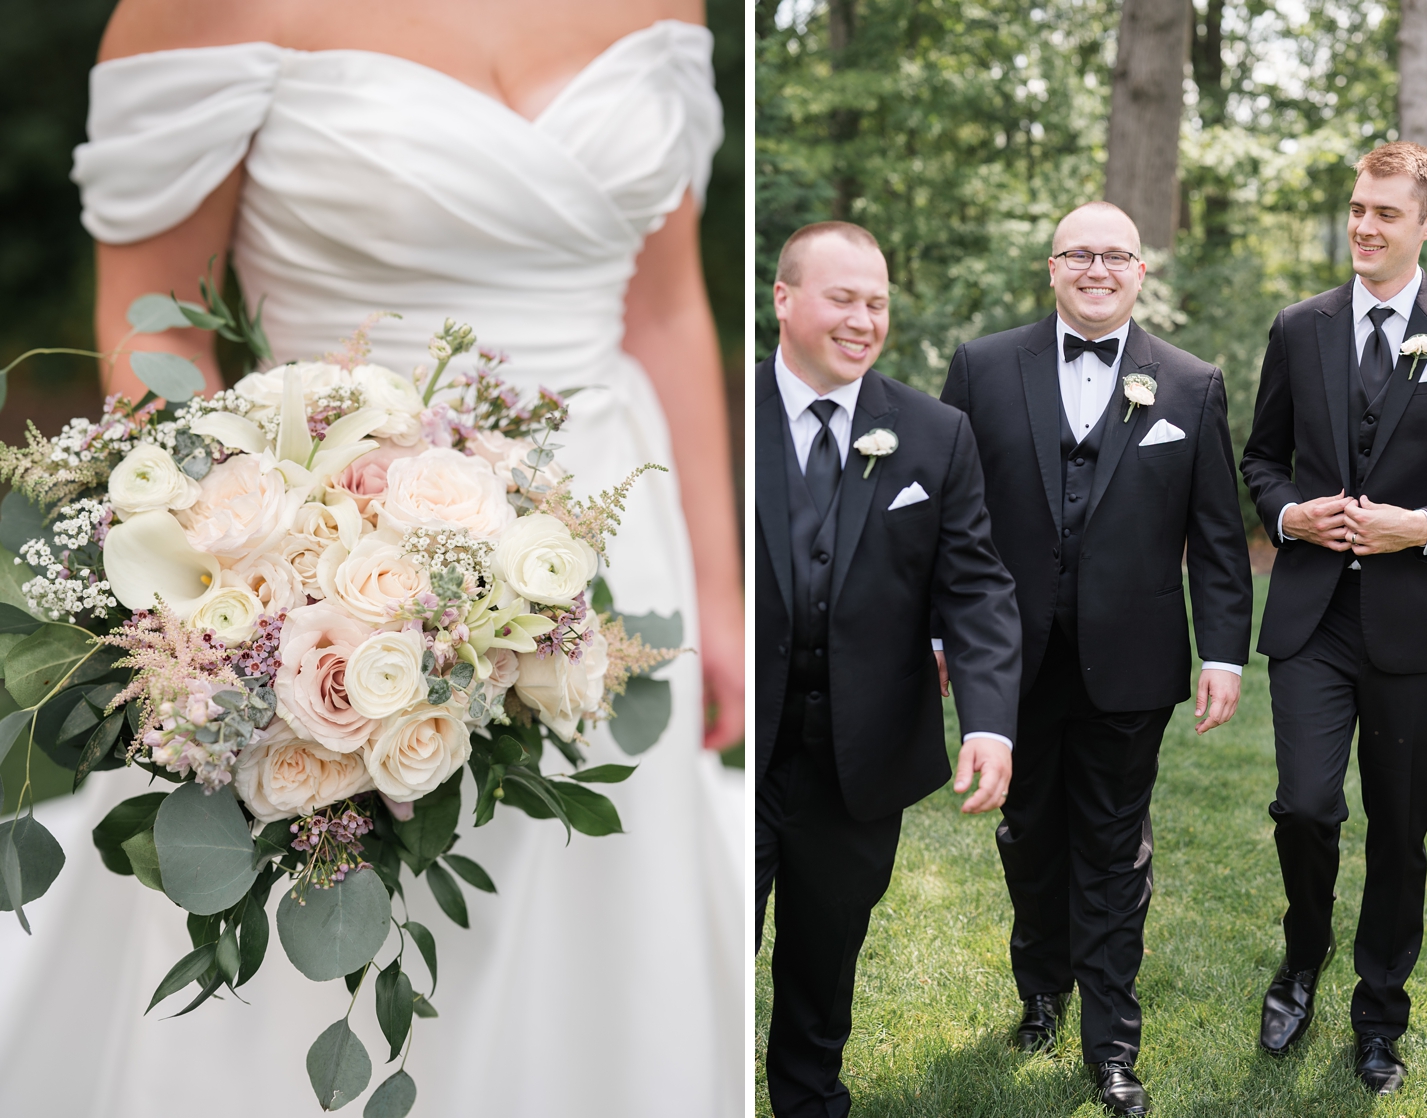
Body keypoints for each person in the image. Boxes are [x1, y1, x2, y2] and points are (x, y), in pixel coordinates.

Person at [0, 3, 744, 1115]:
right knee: (326, 924)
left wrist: (722, 591)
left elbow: (667, 304)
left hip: (615, 538)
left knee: (605, 925)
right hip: (328, 553)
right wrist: (245, 600)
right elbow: (152, 319)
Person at [940, 202, 1253, 1116]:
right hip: (1011, 657)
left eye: (1116, 255)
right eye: (1080, 253)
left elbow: (1219, 536)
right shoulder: (986, 367)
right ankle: (1041, 987)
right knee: (1029, 835)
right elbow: (950, 523)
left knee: (1115, 852)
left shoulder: (1191, 385)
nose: (1097, 268)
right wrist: (937, 636)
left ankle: (1112, 1043)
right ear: (1052, 266)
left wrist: (1224, 652)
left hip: (1133, 659)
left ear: (1139, 272)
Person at [1240, 142, 1427, 1095]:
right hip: (1313, 618)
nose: (1363, 226)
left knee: (1401, 825)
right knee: (1305, 807)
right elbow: (1261, 460)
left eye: (1386, 213)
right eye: (1356, 208)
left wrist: (1421, 526)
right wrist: (1287, 514)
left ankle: (1380, 1010)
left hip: (1416, 628)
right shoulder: (1297, 327)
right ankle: (1302, 959)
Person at [755, 221, 1023, 1117]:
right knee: (696, 960)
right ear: (785, 300)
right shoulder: (712, 411)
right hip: (724, 753)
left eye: (877, 303)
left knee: (824, 966)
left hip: (857, 755)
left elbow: (977, 588)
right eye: (844, 298)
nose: (864, 320)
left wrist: (987, 720)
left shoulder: (934, 433)